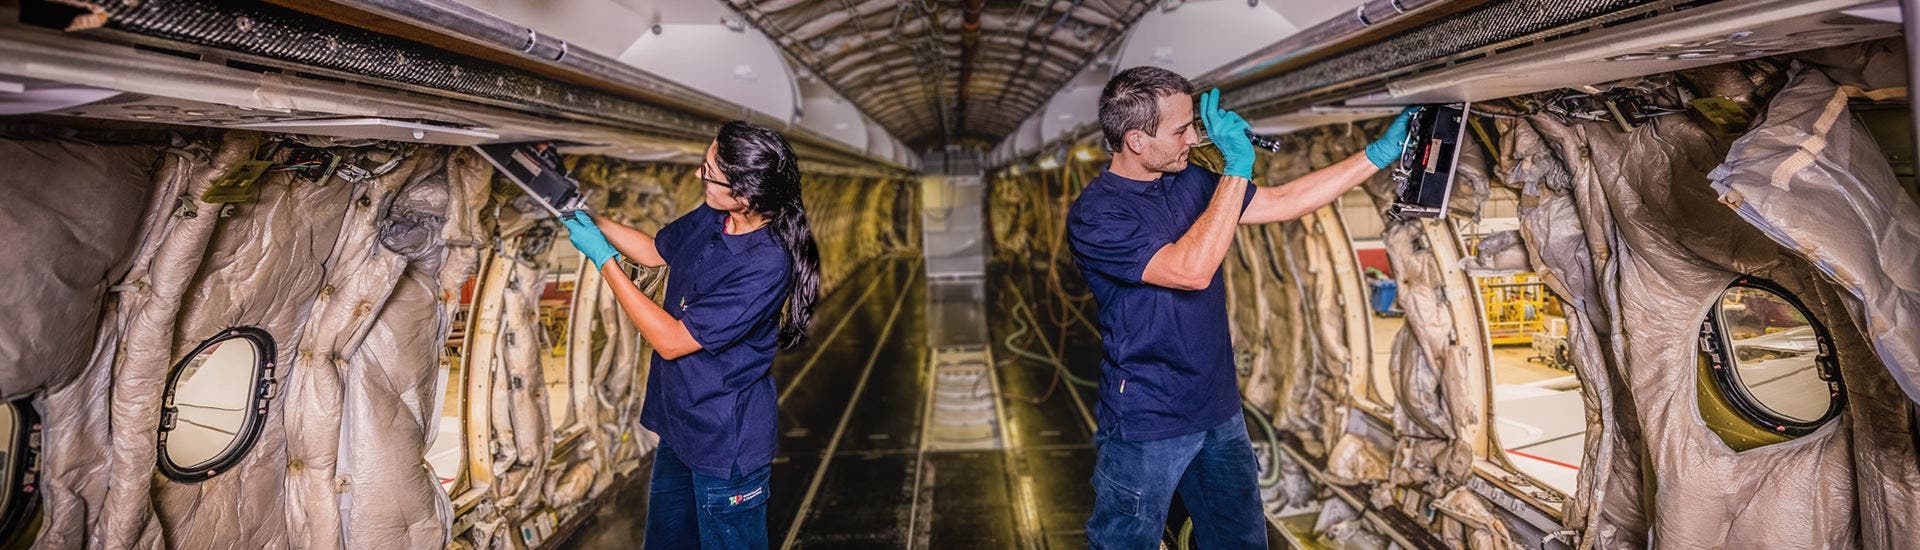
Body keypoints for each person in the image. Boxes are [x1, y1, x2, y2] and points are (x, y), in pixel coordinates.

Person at [1067, 66, 1413, 549]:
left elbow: (1284, 200)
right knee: (1125, 543)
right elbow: (1190, 269)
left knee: (1240, 541)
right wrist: (1236, 167)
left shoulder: (1187, 180)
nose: (1193, 138)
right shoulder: (1098, 214)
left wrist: (1375, 155)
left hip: (1218, 409)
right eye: (1181, 130)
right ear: (1136, 141)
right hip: (1148, 417)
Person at [561, 120, 821, 549]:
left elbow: (672, 339)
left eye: (710, 171)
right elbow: (656, 251)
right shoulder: (715, 215)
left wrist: (604, 260)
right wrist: (590, 218)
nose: (701, 174)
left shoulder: (766, 263)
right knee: (665, 542)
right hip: (682, 425)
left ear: (746, 194)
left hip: (725, 438)